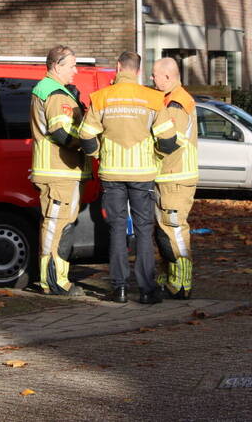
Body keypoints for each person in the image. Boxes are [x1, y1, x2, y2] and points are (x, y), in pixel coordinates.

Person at [79, 51, 167, 305]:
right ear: (139, 70)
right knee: (143, 229)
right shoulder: (153, 99)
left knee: (117, 229)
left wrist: (98, 153)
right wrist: (156, 154)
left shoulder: (101, 98)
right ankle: (147, 290)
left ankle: (118, 289)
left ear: (119, 67)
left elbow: (85, 136)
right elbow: (169, 140)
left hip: (112, 173)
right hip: (143, 174)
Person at [29, 45, 89, 296]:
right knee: (56, 227)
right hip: (58, 171)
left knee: (58, 226)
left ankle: (55, 279)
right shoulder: (55, 93)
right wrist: (88, 138)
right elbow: (62, 133)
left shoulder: (51, 90)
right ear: (57, 66)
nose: (76, 71)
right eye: (72, 65)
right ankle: (54, 282)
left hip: (57, 171)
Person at [151, 57, 199, 299]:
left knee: (174, 230)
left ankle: (181, 283)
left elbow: (168, 143)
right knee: (164, 231)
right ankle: (170, 278)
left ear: (168, 77)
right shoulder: (173, 100)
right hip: (170, 177)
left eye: (154, 75)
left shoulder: (177, 104)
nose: (151, 79)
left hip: (175, 177)